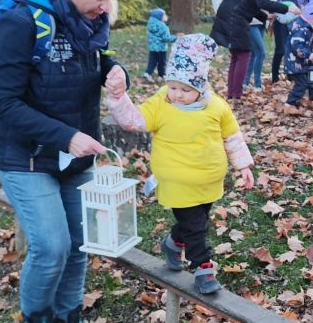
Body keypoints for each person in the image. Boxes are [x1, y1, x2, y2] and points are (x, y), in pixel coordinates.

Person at [0, 0, 128, 323]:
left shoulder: (85, 19)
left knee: (80, 243)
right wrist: (65, 137)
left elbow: (92, 59)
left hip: (76, 154)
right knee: (51, 247)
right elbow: (2, 102)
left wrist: (113, 68)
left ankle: (70, 321)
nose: (106, 7)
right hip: (27, 156)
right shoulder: (18, 20)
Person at [104, 34, 255, 294]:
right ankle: (203, 268)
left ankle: (174, 243)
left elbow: (232, 137)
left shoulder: (216, 106)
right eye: (173, 87)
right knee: (197, 227)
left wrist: (243, 166)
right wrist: (119, 98)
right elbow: (133, 121)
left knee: (195, 221)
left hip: (209, 179)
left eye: (185, 89)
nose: (178, 94)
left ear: (200, 87)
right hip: (176, 180)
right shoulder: (161, 104)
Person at [211, 0, 299, 100]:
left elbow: (251, 3)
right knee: (244, 53)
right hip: (235, 16)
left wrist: (265, 16)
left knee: (237, 55)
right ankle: (236, 95)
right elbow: (262, 1)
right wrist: (287, 8)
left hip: (232, 12)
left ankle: (232, 94)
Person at [282, 0, 313, 114]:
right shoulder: (301, 29)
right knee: (301, 85)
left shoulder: (306, 26)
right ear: (310, 16)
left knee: (312, 79)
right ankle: (289, 104)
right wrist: (308, 54)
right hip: (295, 63)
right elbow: (296, 46)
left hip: (303, 62)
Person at [272, 0, 306, 83]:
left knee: (293, 48)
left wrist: (307, 10)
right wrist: (273, 10)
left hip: (297, 18)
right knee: (280, 49)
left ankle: (291, 75)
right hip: (281, 17)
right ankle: (274, 77)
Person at [144, 7, 176, 81]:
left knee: (152, 62)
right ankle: (162, 75)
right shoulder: (162, 26)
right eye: (164, 15)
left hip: (152, 48)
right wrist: (176, 39)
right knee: (162, 62)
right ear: (159, 17)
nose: (166, 16)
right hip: (161, 48)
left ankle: (147, 73)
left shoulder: (150, 25)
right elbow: (166, 38)